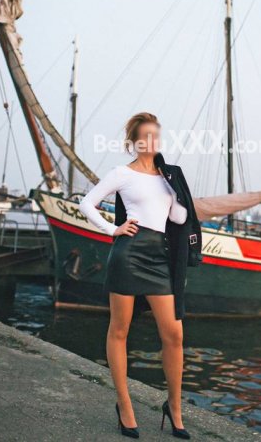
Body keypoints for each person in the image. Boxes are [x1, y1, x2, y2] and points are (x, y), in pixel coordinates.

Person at [79, 112, 192, 439]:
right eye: (146, 136)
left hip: (159, 256)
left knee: (174, 334)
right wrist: (113, 229)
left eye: (156, 135)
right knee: (119, 330)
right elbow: (87, 203)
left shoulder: (168, 176)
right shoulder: (122, 174)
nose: (152, 141)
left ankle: (174, 408)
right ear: (134, 142)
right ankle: (124, 405)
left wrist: (178, 192)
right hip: (129, 254)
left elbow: (178, 218)